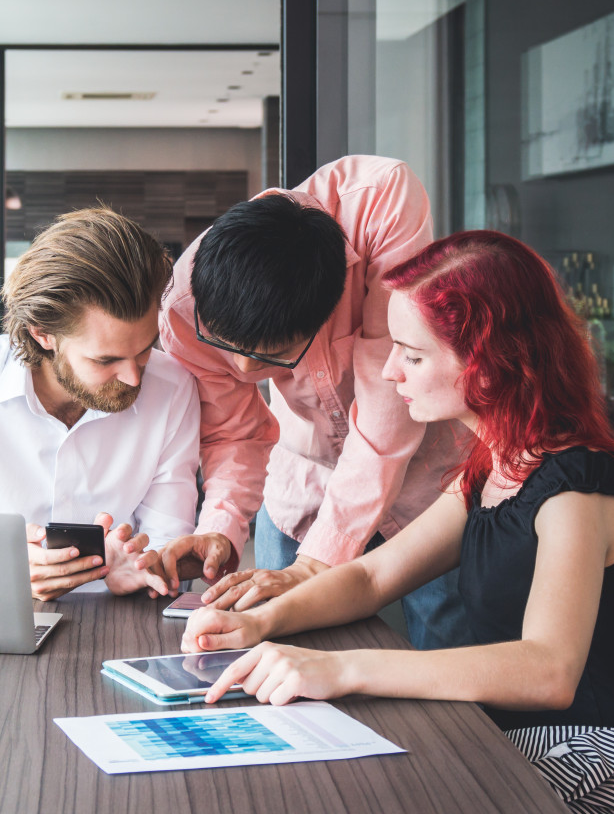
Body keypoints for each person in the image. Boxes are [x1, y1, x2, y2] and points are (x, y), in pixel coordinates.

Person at [181, 230, 614, 814]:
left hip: (602, 757)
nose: (390, 373)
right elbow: (371, 579)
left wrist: (340, 668)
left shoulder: (577, 489)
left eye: (412, 355)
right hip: (515, 737)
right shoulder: (493, 470)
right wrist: (261, 623)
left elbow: (549, 670)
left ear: (491, 366)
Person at [155, 155, 470, 650]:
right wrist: (220, 526)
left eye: (271, 359)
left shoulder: (380, 201)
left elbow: (390, 402)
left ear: (324, 309)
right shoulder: (182, 308)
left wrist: (317, 564)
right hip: (305, 486)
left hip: (430, 486)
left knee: (449, 654)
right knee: (279, 655)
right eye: (228, 351)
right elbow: (234, 432)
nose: (242, 372)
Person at [0, 208, 199, 600]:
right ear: (43, 335)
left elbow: (171, 537)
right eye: (106, 360)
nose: (135, 378)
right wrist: (2, 570)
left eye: (144, 350)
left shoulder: (174, 388)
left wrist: (142, 563)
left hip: (118, 618)